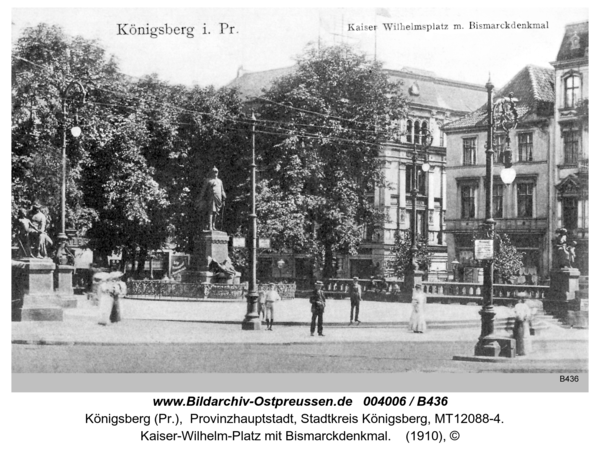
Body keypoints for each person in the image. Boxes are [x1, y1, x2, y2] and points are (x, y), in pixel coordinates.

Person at [199, 167, 226, 231]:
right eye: (214, 171)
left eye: (216, 171)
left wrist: (224, 195)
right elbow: (203, 190)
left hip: (218, 198)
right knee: (211, 211)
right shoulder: (208, 180)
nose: (215, 173)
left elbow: (222, 190)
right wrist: (201, 198)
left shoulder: (220, 181)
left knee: (216, 213)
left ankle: (213, 225)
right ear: (211, 172)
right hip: (211, 197)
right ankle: (209, 226)